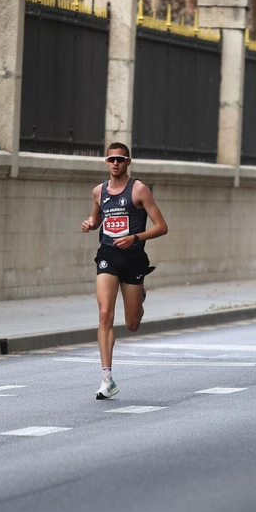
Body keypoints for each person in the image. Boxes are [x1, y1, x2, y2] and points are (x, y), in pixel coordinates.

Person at [82, 142, 170, 400]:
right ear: (106, 162)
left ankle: (139, 295)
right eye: (111, 159)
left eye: (120, 159)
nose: (115, 163)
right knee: (104, 312)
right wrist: (90, 223)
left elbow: (162, 226)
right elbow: (98, 218)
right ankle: (107, 378)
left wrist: (135, 237)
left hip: (133, 257)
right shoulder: (99, 191)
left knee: (132, 324)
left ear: (128, 161)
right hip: (108, 255)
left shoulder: (139, 189)